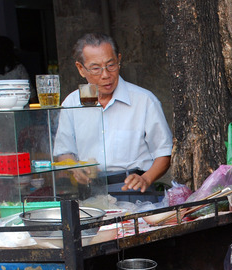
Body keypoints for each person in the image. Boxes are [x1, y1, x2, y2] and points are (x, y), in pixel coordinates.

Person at [54, 33, 172, 201]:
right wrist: (74, 168)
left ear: (119, 60)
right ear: (81, 69)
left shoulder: (144, 100)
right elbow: (64, 151)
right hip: (89, 192)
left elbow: (164, 152)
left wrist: (146, 178)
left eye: (111, 65)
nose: (105, 75)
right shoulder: (72, 103)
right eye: (95, 68)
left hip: (133, 190)